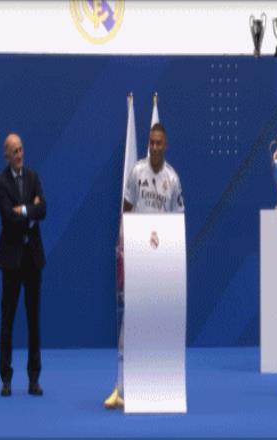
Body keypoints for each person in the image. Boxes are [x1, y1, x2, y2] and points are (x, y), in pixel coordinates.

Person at [104, 122, 184, 409]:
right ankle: (121, 386)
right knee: (130, 321)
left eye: (159, 143)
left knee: (158, 322)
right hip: (137, 258)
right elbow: (126, 210)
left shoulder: (172, 179)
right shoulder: (136, 172)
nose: (154, 147)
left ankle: (157, 385)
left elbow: (178, 220)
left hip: (161, 262)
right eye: (151, 142)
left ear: (166, 145)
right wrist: (123, 243)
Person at [0, 133, 46, 397]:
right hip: (11, 261)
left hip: (32, 259)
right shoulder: (0, 182)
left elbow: (43, 210)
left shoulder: (34, 177)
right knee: (8, 320)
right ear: (6, 155)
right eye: (14, 151)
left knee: (33, 320)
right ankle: (6, 379)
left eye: (21, 149)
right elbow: (7, 218)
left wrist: (22, 210)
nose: (19, 155)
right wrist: (31, 210)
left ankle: (34, 378)